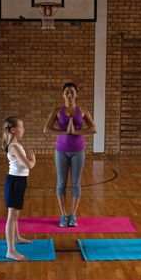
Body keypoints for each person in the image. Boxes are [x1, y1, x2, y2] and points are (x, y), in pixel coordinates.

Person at [43, 83, 96, 228]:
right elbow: (46, 129)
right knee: (61, 183)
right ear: (63, 94)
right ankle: (63, 215)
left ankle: (73, 215)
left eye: (72, 92)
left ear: (76, 94)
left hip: (78, 150)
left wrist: (76, 132)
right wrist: (64, 132)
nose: (69, 94)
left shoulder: (83, 110)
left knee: (76, 183)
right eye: (66, 92)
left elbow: (93, 128)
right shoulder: (57, 111)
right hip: (61, 150)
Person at [2, 116, 36, 260]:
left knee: (15, 214)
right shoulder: (15, 147)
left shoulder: (15, 145)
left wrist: (30, 159)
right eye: (21, 127)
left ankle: (16, 238)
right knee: (12, 216)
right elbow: (29, 165)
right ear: (14, 130)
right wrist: (33, 159)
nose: (23, 130)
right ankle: (10, 250)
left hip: (18, 181)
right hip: (15, 182)